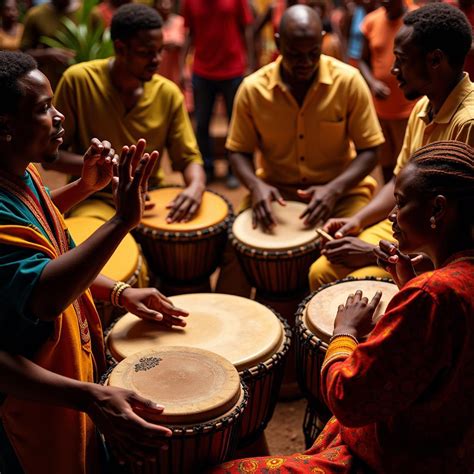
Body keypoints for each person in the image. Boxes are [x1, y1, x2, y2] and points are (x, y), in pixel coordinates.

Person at [212, 139, 474, 473]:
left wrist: (344, 332)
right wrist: (408, 284)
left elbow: (347, 397)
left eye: (401, 203)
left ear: (437, 210)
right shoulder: (445, 282)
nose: (392, 216)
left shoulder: (431, 294)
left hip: (397, 457)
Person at [0, 51, 189, 473]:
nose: (60, 116)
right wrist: (122, 220)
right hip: (27, 415)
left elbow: (50, 241)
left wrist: (120, 292)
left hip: (65, 388)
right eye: (44, 108)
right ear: (5, 126)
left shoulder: (21, 172)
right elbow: (44, 294)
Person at [309, 2, 474, 291]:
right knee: (322, 270)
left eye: (401, 60)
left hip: (442, 254)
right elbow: (398, 182)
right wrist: (356, 221)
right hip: (411, 232)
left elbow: (458, 242)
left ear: (435, 60)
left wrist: (371, 251)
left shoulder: (468, 124)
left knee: (342, 282)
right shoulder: (422, 107)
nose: (394, 70)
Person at [227, 4, 383, 231]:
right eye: (295, 55)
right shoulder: (252, 90)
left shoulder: (349, 82)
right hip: (275, 194)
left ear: (322, 40)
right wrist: (255, 186)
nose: (306, 63)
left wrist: (334, 189)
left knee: (347, 256)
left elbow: (371, 150)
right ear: (279, 43)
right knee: (235, 257)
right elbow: (238, 151)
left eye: (313, 53)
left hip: (343, 195)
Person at [49, 4, 205, 224]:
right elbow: (53, 156)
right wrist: (108, 170)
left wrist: (196, 187)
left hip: (151, 199)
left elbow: (189, 158)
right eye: (146, 53)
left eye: (161, 50)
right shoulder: (78, 81)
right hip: (96, 199)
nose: (157, 60)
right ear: (120, 48)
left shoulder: (168, 94)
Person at [180, 0, 255, 188]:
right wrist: (182, 66)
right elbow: (190, 34)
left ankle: (235, 171)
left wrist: (250, 64)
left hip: (233, 70)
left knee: (236, 124)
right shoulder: (189, 2)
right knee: (202, 123)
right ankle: (207, 168)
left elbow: (246, 30)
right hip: (202, 71)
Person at [358, 0, 415, 182]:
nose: (385, 2)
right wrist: (372, 83)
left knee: (408, 166)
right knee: (385, 163)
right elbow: (362, 60)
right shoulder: (371, 21)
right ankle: (389, 204)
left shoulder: (417, 18)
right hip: (380, 110)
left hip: (409, 110)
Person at [20, 0, 78, 88]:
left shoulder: (89, 12)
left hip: (80, 82)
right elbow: (23, 53)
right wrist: (47, 54)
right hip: (50, 83)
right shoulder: (35, 15)